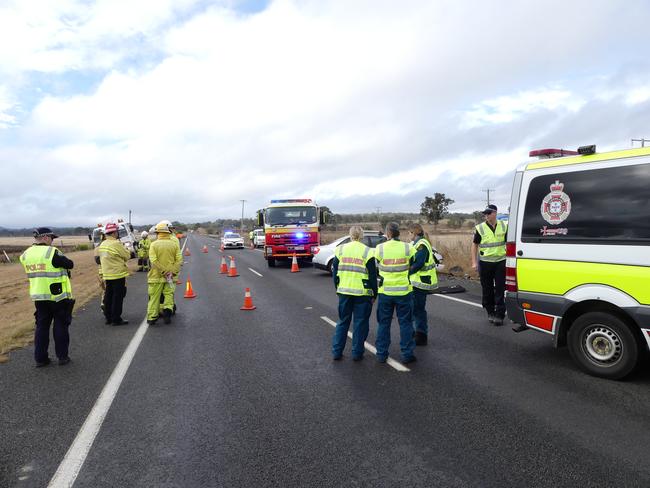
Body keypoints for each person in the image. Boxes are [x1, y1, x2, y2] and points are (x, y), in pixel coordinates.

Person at [19, 228, 75, 367]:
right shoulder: (51, 252)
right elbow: (70, 264)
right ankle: (62, 357)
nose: (52, 240)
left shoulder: (25, 255)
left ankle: (40, 359)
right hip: (57, 296)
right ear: (45, 238)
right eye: (52, 238)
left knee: (42, 327)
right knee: (60, 325)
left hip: (39, 296)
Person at [331, 226, 377, 361]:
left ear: (350, 235)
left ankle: (336, 352)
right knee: (360, 323)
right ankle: (357, 353)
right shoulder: (367, 251)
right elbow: (372, 276)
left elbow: (335, 272)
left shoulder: (340, 249)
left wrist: (337, 288)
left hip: (344, 292)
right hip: (362, 293)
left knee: (343, 322)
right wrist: (374, 294)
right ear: (362, 236)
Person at [374, 222, 417, 364]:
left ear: (388, 233)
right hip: (404, 292)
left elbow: (376, 266)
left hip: (385, 292)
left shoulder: (380, 248)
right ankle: (407, 354)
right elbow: (413, 263)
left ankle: (381, 354)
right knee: (405, 323)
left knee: (384, 324)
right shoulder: (408, 247)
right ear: (399, 233)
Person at [472, 204, 507, 326]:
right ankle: (490, 312)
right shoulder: (480, 228)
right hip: (485, 263)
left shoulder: (504, 225)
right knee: (487, 289)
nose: (486, 216)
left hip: (501, 262)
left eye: (488, 213)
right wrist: (474, 262)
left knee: (500, 288)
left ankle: (500, 314)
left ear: (495, 213)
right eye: (485, 214)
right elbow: (474, 245)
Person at [408, 223, 438, 346]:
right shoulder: (414, 244)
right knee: (415, 309)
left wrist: (405, 273)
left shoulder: (421, 244)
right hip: (415, 281)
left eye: (409, 232)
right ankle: (417, 333)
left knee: (418, 310)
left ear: (413, 233)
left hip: (421, 282)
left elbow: (418, 263)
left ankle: (421, 335)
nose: (408, 235)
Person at [147, 222, 182, 325]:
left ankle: (152, 317)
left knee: (154, 297)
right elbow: (179, 260)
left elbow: (153, 260)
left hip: (156, 276)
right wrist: (173, 271)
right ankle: (167, 313)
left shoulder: (153, 245)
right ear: (168, 232)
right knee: (169, 295)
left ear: (158, 233)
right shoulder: (174, 244)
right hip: (171, 276)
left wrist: (163, 271)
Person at [97, 222, 131, 325]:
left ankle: (108, 317)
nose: (117, 233)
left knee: (108, 296)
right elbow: (127, 256)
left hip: (107, 274)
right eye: (117, 231)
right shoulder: (116, 243)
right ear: (113, 233)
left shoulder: (103, 244)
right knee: (117, 297)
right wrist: (127, 249)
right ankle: (116, 318)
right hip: (118, 274)